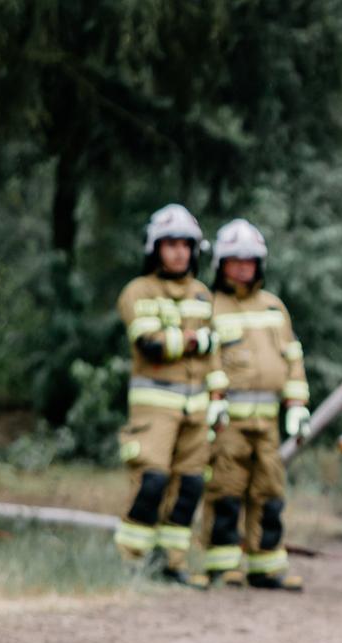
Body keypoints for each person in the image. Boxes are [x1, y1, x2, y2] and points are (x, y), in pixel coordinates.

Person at [192, 219, 308, 591]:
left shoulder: (274, 307)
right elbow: (205, 360)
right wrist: (212, 400)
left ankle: (266, 565)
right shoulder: (211, 307)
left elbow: (292, 356)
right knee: (226, 492)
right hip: (228, 424)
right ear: (221, 264)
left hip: (269, 422)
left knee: (269, 492)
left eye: (250, 260)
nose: (243, 267)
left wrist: (297, 403)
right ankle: (223, 566)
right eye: (235, 260)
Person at [113, 204, 225, 584]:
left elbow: (216, 354)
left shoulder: (202, 295)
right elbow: (150, 345)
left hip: (197, 408)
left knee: (190, 486)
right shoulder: (138, 291)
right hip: (155, 410)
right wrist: (195, 339)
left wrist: (217, 400)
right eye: (170, 244)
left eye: (185, 245)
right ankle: (131, 561)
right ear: (155, 249)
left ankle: (172, 564)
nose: (178, 252)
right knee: (152, 483)